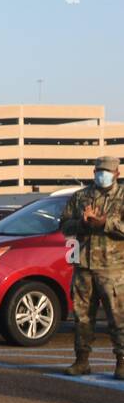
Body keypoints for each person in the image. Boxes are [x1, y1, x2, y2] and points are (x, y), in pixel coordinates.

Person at [60, 154, 123, 378]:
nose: (101, 175)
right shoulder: (80, 197)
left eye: (106, 171)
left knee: (118, 317)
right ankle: (81, 360)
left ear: (117, 173)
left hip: (113, 268)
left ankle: (122, 362)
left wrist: (107, 224)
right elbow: (64, 226)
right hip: (83, 266)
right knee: (82, 316)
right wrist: (82, 223)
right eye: (98, 171)